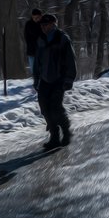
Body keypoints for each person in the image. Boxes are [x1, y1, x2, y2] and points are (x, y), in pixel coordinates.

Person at [34, 14, 77, 149]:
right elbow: (37, 61)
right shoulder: (41, 39)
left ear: (53, 24)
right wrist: (36, 78)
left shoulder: (62, 39)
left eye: (45, 25)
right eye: (42, 25)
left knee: (55, 108)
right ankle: (54, 137)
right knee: (44, 108)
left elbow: (71, 60)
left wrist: (69, 79)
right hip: (45, 80)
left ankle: (66, 131)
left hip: (59, 79)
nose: (43, 27)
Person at [24, 8, 43, 77]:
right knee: (34, 69)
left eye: (38, 17)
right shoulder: (29, 24)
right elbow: (27, 36)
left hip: (42, 50)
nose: (36, 19)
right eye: (34, 17)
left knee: (42, 68)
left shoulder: (44, 24)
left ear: (41, 16)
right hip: (32, 50)